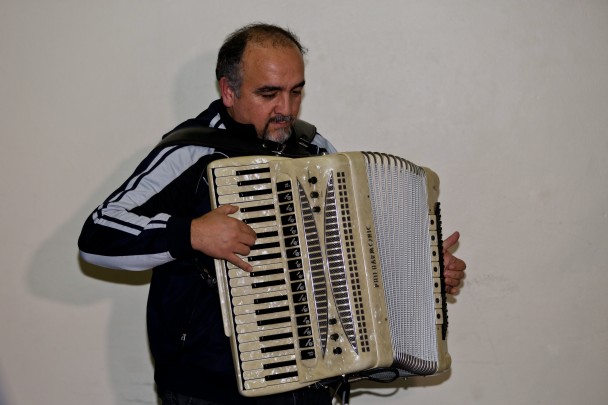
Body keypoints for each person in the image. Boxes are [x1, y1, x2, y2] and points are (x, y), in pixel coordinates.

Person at [78, 23, 466, 405]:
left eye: (295, 92)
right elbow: (98, 235)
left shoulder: (316, 151)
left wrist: (422, 270)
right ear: (228, 91)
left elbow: (349, 249)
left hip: (310, 384)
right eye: (269, 93)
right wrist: (192, 233)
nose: (286, 109)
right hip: (210, 387)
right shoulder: (190, 151)